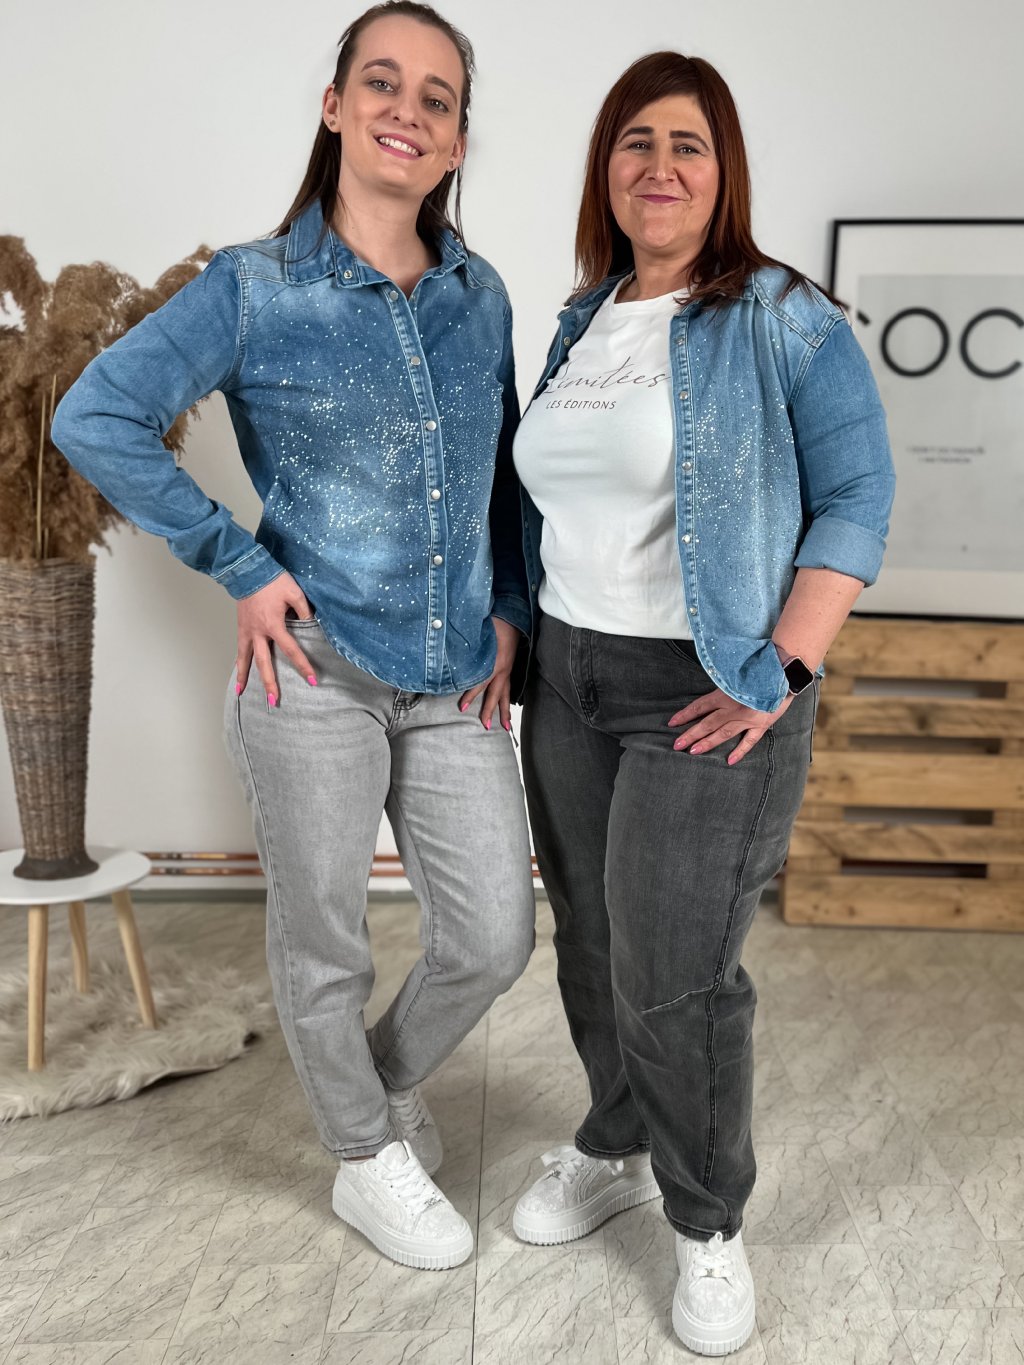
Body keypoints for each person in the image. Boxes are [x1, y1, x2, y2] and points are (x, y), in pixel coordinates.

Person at [52, 0, 535, 1273]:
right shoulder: (253, 288)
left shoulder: (480, 296)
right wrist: (239, 563)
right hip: (308, 671)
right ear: (333, 107)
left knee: (494, 936)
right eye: (381, 82)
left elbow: (502, 477)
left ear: (455, 143)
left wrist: (511, 610)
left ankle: (368, 1091)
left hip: (454, 678)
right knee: (324, 939)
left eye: (436, 98)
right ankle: (365, 1157)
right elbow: (95, 415)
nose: (405, 110)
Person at [509, 51, 895, 1354]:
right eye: (636, 142)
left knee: (674, 972)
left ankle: (707, 1220)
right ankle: (616, 1140)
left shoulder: (779, 313)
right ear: (605, 169)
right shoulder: (584, 319)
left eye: (688, 144)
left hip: (706, 685)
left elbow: (858, 494)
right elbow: (553, 502)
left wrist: (784, 664)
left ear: (723, 172)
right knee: (592, 943)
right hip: (568, 677)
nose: (659, 166)